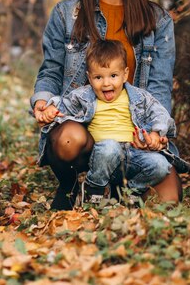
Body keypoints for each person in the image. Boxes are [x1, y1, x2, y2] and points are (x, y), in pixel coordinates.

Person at [32, 0, 181, 209]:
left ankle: (115, 188)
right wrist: (41, 102)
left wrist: (153, 134)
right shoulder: (66, 14)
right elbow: (51, 70)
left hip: (132, 137)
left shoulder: (158, 20)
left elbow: (159, 86)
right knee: (68, 140)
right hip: (86, 133)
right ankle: (72, 183)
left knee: (169, 200)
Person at [41, 39, 176, 204]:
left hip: (134, 154)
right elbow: (63, 103)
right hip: (101, 155)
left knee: (161, 164)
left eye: (113, 75)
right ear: (89, 78)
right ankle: (94, 187)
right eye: (98, 77)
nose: (106, 83)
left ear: (125, 74)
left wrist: (156, 132)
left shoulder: (140, 97)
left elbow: (160, 113)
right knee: (109, 147)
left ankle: (130, 191)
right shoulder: (84, 96)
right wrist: (50, 108)